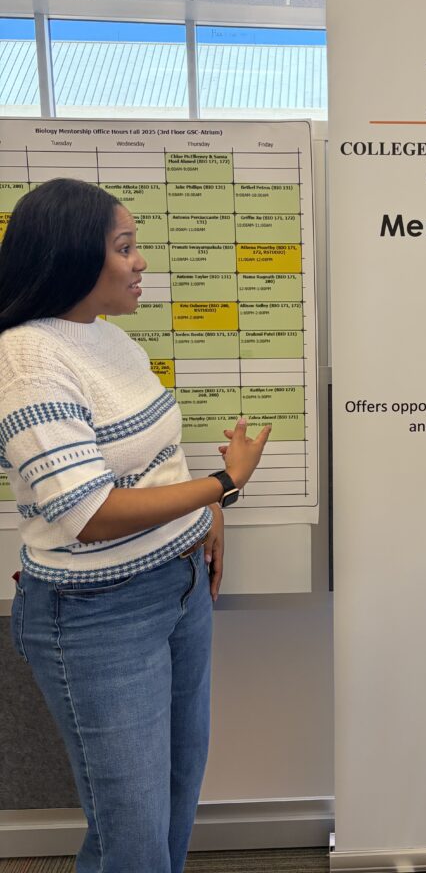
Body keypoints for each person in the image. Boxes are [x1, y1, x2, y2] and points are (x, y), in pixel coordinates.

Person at [1, 178, 270, 873]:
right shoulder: (26, 360)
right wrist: (224, 482)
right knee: (133, 833)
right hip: (98, 615)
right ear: (70, 258)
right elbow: (87, 514)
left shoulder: (107, 338)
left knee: (175, 799)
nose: (142, 261)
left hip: (178, 590)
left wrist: (209, 509)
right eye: (125, 247)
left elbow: (151, 457)